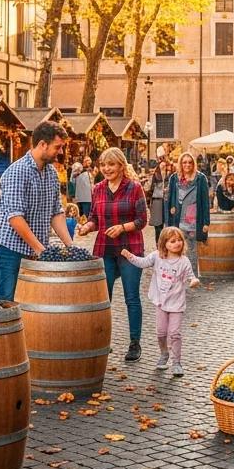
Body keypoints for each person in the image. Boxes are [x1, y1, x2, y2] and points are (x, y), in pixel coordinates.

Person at [78, 148, 148, 361]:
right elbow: (94, 218)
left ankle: (135, 343)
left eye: (111, 165)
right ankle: (103, 341)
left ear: (121, 166)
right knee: (102, 298)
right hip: (105, 250)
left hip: (129, 248)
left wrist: (122, 227)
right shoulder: (98, 188)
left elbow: (142, 220)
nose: (106, 169)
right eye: (103, 165)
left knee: (131, 297)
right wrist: (87, 227)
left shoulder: (134, 188)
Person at [0, 121, 72, 301]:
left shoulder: (51, 173)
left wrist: (71, 247)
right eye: (57, 147)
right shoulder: (17, 171)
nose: (60, 152)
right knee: (9, 302)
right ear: (42, 144)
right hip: (10, 248)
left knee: (33, 302)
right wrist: (40, 250)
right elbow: (15, 217)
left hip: (35, 248)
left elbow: (56, 212)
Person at [121, 226, 200, 377]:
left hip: (176, 303)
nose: (177, 244)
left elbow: (191, 276)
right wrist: (130, 256)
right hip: (161, 302)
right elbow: (142, 262)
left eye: (179, 241)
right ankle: (164, 353)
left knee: (175, 333)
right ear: (164, 244)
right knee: (161, 333)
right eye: (172, 241)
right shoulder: (157, 257)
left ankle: (177, 362)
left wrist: (194, 281)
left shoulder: (184, 261)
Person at [166, 152, 210, 273]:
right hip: (177, 219)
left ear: (193, 164)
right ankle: (177, 275)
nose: (187, 165)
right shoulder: (174, 178)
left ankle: (192, 276)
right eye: (184, 162)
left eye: (190, 162)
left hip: (194, 220)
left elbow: (205, 201)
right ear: (180, 163)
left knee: (191, 249)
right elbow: (169, 199)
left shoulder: (200, 178)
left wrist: (206, 222)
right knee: (175, 248)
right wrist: (169, 217)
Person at [148, 158, 173, 237]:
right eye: (161, 165)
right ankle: (158, 243)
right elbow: (151, 189)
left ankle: (165, 242)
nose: (163, 167)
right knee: (157, 224)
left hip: (166, 200)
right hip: (157, 200)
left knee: (167, 223)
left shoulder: (170, 176)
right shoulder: (156, 175)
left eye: (164, 165)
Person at [75, 156, 94, 221]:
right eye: (86, 161)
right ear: (83, 162)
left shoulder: (92, 171)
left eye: (89, 161)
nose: (88, 162)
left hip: (88, 197)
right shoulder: (79, 170)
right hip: (81, 197)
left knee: (87, 215)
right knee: (81, 215)